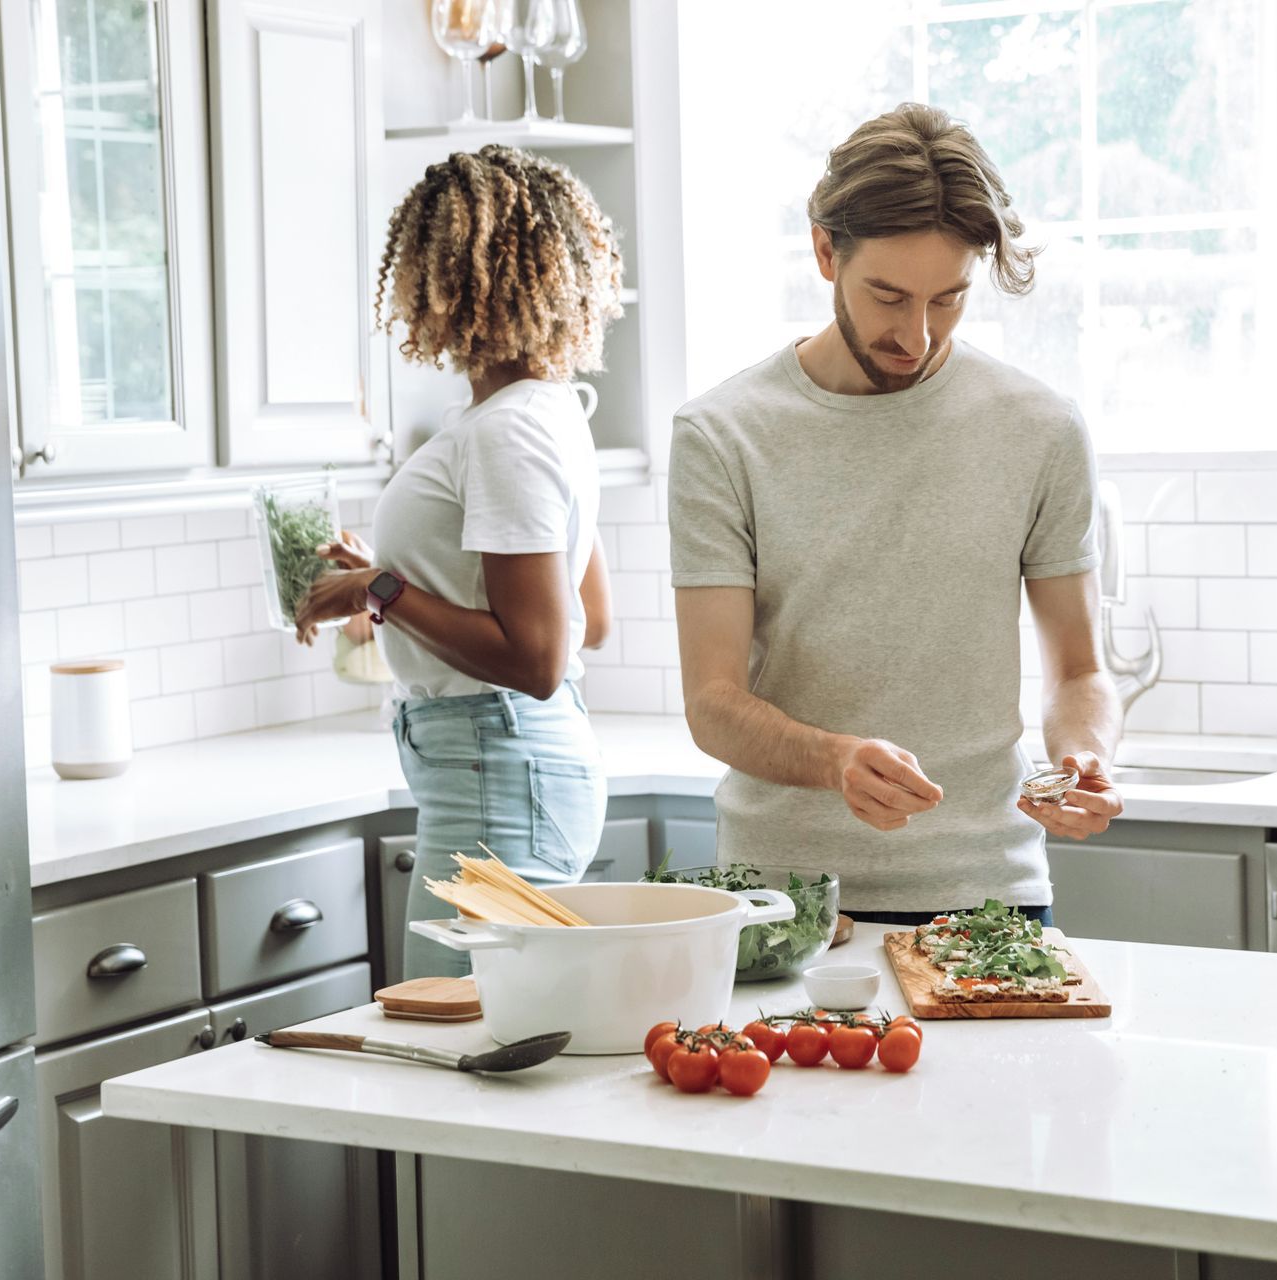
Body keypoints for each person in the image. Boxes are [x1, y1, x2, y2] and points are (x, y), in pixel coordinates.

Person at [668, 104, 1124, 928]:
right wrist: (832, 759)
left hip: (990, 899)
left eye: (948, 300)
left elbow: (1080, 669)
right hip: (786, 904)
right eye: (888, 296)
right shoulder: (722, 435)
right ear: (822, 251)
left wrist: (1083, 756)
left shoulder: (1040, 429)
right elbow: (711, 700)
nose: (917, 336)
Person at [294, 145, 622, 977]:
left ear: (438, 275)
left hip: (497, 765)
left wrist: (384, 587)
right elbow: (593, 621)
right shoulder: (546, 414)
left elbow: (540, 659)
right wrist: (396, 576)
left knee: (458, 1041)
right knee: (481, 1043)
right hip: (507, 765)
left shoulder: (508, 432)